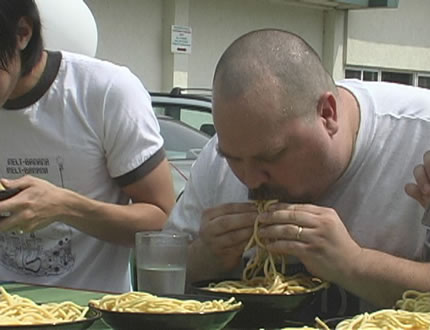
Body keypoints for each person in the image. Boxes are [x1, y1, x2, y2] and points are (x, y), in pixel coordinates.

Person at [165, 28, 430, 318]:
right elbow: (156, 278)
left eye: (272, 156)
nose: (250, 180)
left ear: (328, 114)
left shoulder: (419, 137)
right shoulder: (223, 153)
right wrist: (204, 257)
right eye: (234, 160)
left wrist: (355, 264)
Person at [0, 0, 175, 292]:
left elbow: (163, 222)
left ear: (22, 33)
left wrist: (65, 206)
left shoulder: (106, 92)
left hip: (95, 315)